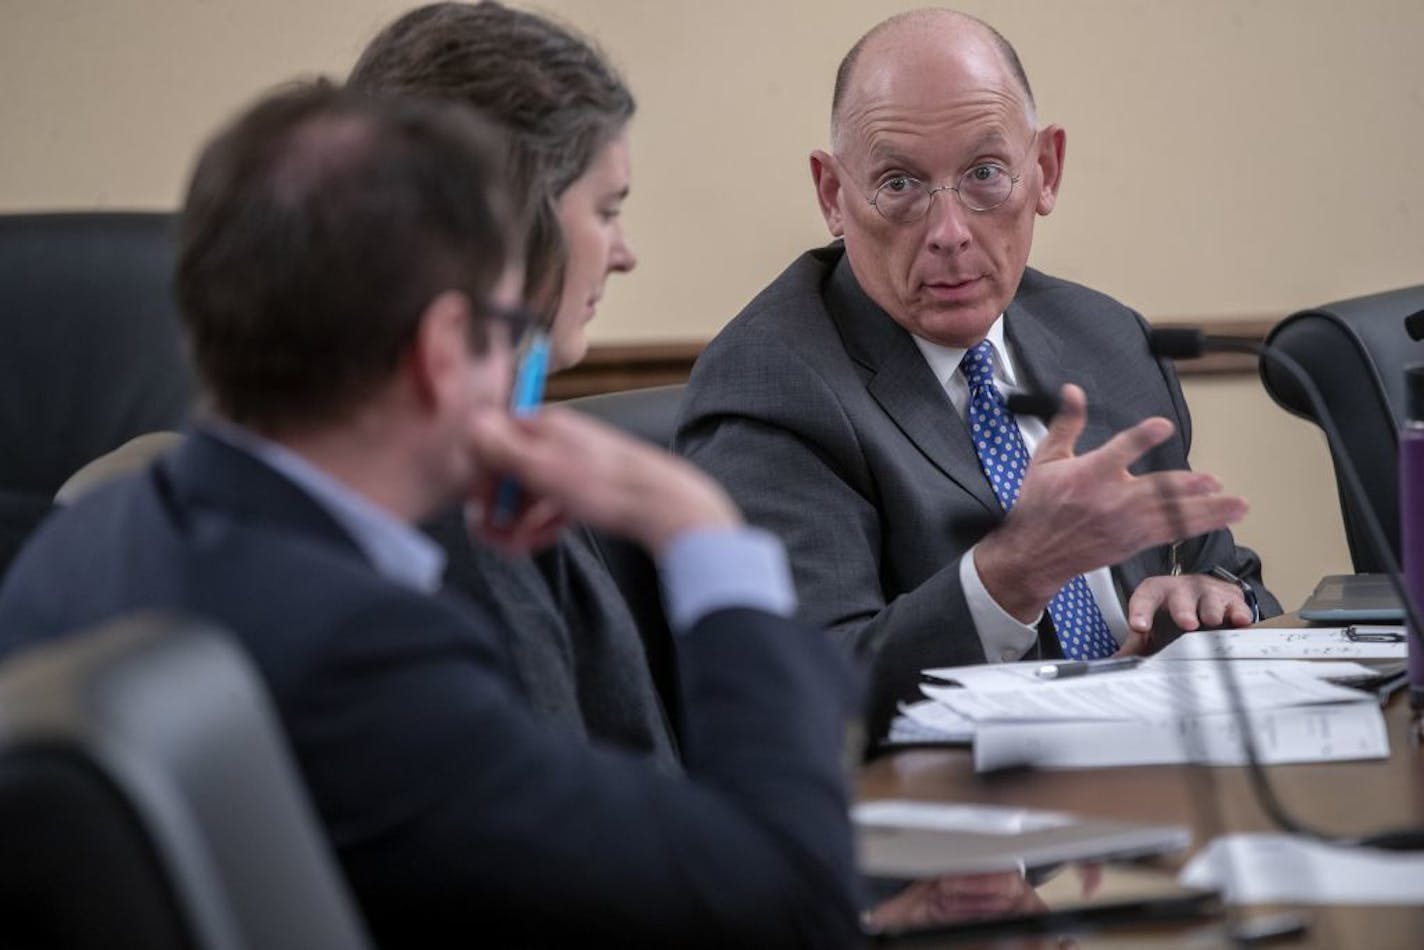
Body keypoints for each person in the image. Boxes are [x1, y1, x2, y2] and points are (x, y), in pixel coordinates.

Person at [0, 84, 862, 947]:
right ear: (444, 351)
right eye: (507, 320)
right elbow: (783, 900)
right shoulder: (362, 654)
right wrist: (699, 527)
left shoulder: (80, 543)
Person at [673, 8, 1281, 741]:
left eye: (986, 175)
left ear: (1045, 171)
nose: (950, 233)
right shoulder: (774, 383)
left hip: (1162, 776)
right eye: (898, 184)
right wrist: (1009, 577)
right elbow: (810, 694)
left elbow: (1230, 575)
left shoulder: (1109, 338)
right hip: (962, 828)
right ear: (834, 195)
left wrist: (1210, 599)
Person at [347, 1, 675, 766]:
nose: (623, 254)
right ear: (512, 223)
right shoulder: (465, 521)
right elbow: (596, 864)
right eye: (606, 210)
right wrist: (710, 546)